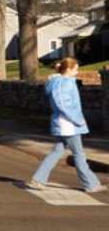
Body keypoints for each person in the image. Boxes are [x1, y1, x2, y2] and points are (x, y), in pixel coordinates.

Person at [28, 57, 107, 193]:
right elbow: (63, 105)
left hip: (64, 123)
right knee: (79, 154)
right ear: (68, 69)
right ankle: (91, 184)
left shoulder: (63, 82)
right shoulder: (62, 83)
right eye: (75, 68)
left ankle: (39, 179)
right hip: (68, 124)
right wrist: (78, 120)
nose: (77, 71)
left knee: (57, 151)